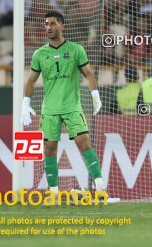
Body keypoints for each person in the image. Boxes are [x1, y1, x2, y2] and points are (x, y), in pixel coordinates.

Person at [21, 11, 109, 199]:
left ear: (62, 26)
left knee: (84, 143)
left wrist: (95, 95)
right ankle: (53, 193)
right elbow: (31, 80)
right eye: (46, 24)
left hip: (72, 107)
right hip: (50, 109)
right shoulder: (39, 53)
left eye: (52, 24)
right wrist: (25, 104)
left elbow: (89, 73)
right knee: (49, 148)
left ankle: (100, 187)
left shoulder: (76, 49)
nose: (48, 27)